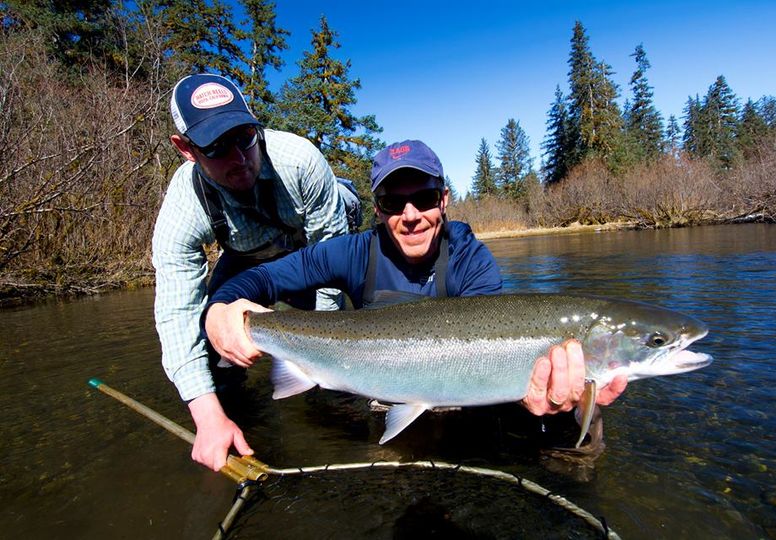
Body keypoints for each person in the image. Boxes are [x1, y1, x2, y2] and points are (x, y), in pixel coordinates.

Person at [204, 140, 628, 469]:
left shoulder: (470, 260)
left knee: (570, 424)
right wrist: (224, 309)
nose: (410, 214)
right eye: (393, 202)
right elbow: (260, 277)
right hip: (374, 382)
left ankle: (570, 472)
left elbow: (486, 362)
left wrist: (535, 397)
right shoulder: (350, 252)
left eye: (424, 197)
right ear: (378, 209)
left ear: (443, 200)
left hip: (455, 392)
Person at [152, 73, 348, 473]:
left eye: (244, 137)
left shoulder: (300, 160)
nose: (239, 157)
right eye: (217, 147)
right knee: (213, 358)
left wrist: (326, 350)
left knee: (341, 339)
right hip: (245, 258)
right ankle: (234, 426)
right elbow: (177, 314)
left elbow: (332, 259)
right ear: (186, 149)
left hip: (313, 250)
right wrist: (206, 414)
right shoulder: (182, 211)